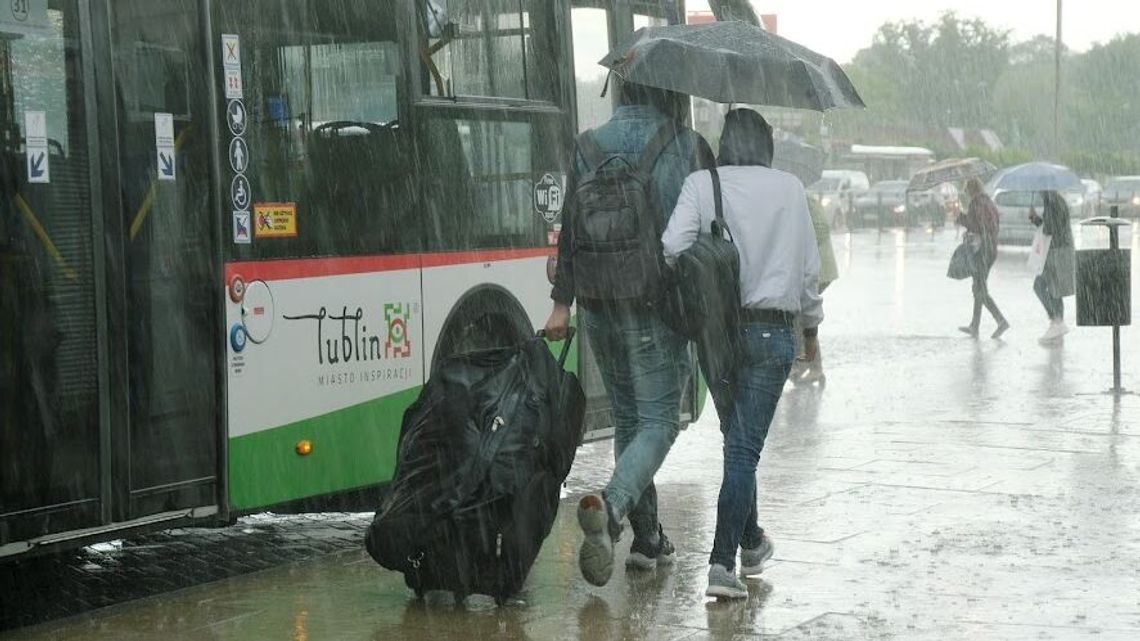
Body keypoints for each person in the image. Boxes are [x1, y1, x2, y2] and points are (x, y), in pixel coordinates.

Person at [543, 80, 714, 587]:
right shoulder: (682, 144)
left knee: (630, 422)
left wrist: (561, 303)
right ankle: (613, 510)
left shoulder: (588, 143)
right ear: (669, 90)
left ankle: (647, 540)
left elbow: (570, 230)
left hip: (597, 305)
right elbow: (702, 229)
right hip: (653, 304)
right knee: (660, 423)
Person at [661, 109, 822, 599]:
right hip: (772, 333)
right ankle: (721, 562)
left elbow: (671, 247)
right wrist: (810, 332)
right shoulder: (790, 189)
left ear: (726, 142)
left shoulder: (701, 183)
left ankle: (751, 542)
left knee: (738, 444)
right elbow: (809, 272)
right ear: (768, 144)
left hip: (717, 333)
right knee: (743, 449)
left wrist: (715, 256)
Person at [789, 195, 838, 384]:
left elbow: (822, 227)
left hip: (819, 268)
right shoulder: (796, 199)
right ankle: (805, 364)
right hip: (810, 269)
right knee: (800, 316)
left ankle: (811, 366)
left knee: (801, 315)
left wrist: (802, 243)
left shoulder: (805, 199)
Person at [957, 178, 1010, 339]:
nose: (966, 193)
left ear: (971, 190)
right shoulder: (988, 201)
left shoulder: (975, 203)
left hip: (982, 250)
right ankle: (975, 325)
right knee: (978, 287)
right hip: (991, 248)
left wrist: (961, 219)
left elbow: (976, 225)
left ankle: (1000, 321)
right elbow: (990, 224)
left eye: (967, 190)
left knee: (980, 289)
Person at [1030, 190, 1075, 344]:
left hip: (1057, 251)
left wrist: (1037, 218)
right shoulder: (1054, 200)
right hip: (1058, 249)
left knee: (1040, 286)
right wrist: (1036, 219)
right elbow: (1049, 226)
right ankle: (1057, 327)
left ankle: (1057, 321)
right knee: (1055, 290)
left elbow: (1050, 229)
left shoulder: (1053, 202)